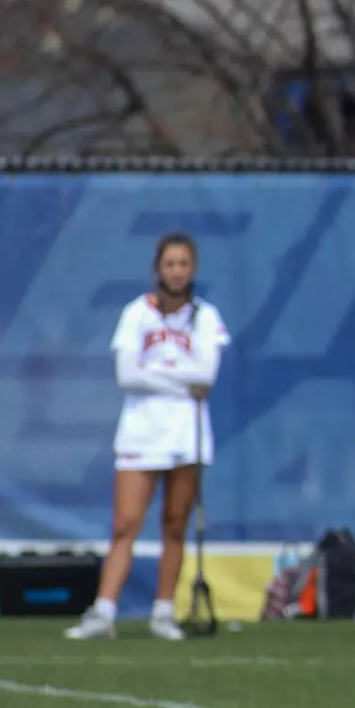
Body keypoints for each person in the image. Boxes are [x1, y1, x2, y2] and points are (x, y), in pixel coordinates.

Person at [66, 232, 230, 641]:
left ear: (193, 269)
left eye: (184, 264)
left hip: (187, 434)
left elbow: (206, 377)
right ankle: (104, 612)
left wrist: (156, 373)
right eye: (170, 263)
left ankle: (162, 612)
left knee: (175, 524)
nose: (176, 271)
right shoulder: (136, 313)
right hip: (141, 433)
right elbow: (128, 375)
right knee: (125, 524)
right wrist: (179, 376)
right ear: (158, 268)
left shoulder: (205, 316)